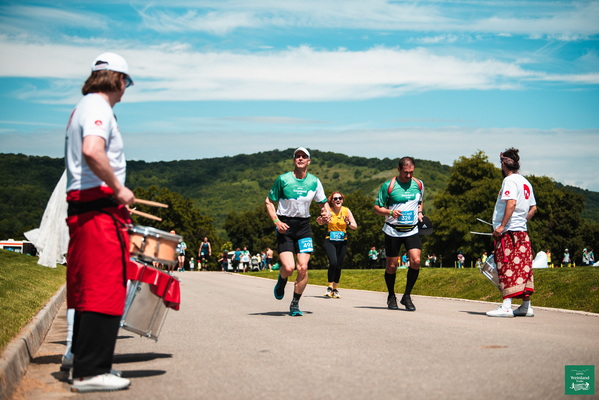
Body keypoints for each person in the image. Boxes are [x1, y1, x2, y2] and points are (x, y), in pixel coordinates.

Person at [64, 52, 134, 392]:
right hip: (97, 208)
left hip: (88, 207)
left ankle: (80, 358)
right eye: (127, 82)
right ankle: (90, 371)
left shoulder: (84, 106)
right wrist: (119, 189)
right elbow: (93, 150)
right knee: (104, 285)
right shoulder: (98, 107)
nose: (125, 90)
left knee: (87, 285)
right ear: (119, 79)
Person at [265, 147, 331, 316]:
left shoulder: (314, 181)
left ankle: (295, 303)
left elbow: (323, 203)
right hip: (285, 226)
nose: (300, 158)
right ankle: (282, 279)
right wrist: (276, 221)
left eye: (304, 156)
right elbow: (269, 201)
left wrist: (326, 215)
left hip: (303, 226)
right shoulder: (283, 179)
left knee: (303, 267)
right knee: (289, 268)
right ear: (294, 160)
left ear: (309, 161)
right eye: (297, 156)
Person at [486, 148, 537, 318]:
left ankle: (507, 306)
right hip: (522, 232)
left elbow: (511, 203)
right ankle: (526, 306)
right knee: (523, 268)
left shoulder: (509, 180)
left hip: (510, 232)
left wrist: (502, 226)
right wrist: (522, 221)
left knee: (506, 266)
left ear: (503, 164)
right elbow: (533, 208)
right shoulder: (525, 182)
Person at [373, 156, 425, 312]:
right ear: (399, 169)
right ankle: (391, 296)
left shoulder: (419, 184)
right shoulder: (388, 186)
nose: (408, 175)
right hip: (393, 230)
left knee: (416, 261)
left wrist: (420, 212)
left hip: (412, 230)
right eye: (405, 172)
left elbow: (419, 201)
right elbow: (377, 208)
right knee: (391, 266)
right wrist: (390, 212)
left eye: (411, 172)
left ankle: (407, 296)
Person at [316, 191, 358, 299]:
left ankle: (335, 289)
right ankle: (329, 287)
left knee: (339, 265)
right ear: (332, 201)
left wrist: (348, 223)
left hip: (342, 241)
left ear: (342, 200)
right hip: (330, 240)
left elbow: (355, 226)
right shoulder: (328, 211)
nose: (338, 200)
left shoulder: (346, 210)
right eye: (335, 198)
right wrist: (320, 220)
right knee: (333, 262)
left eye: (340, 198)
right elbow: (321, 222)